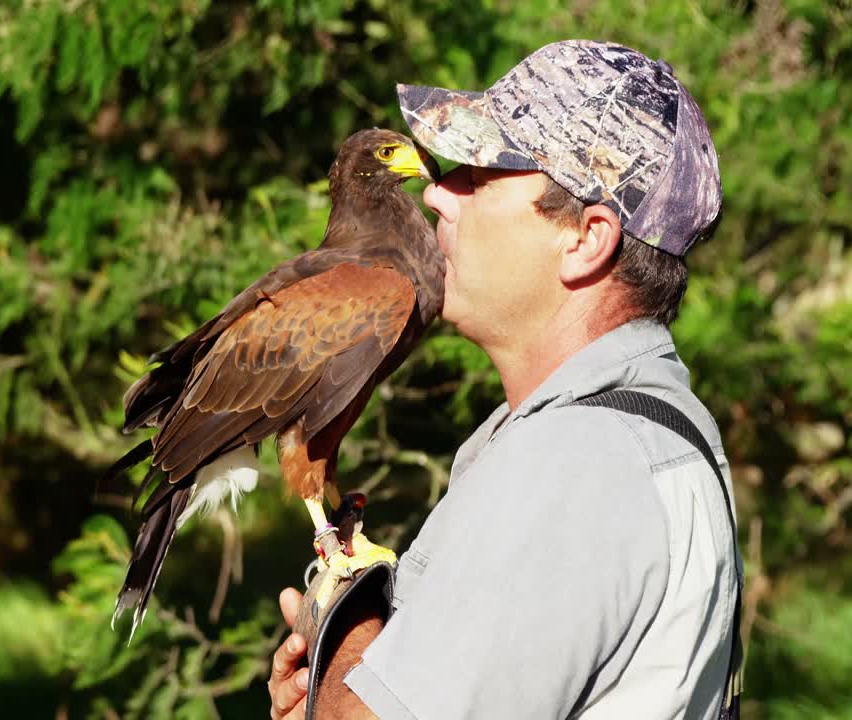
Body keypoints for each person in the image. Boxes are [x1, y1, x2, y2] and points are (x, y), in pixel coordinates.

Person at [267, 40, 742, 719]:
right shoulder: (654, 429)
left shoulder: (578, 465)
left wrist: (344, 632)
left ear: (586, 239)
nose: (438, 192)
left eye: (481, 176)